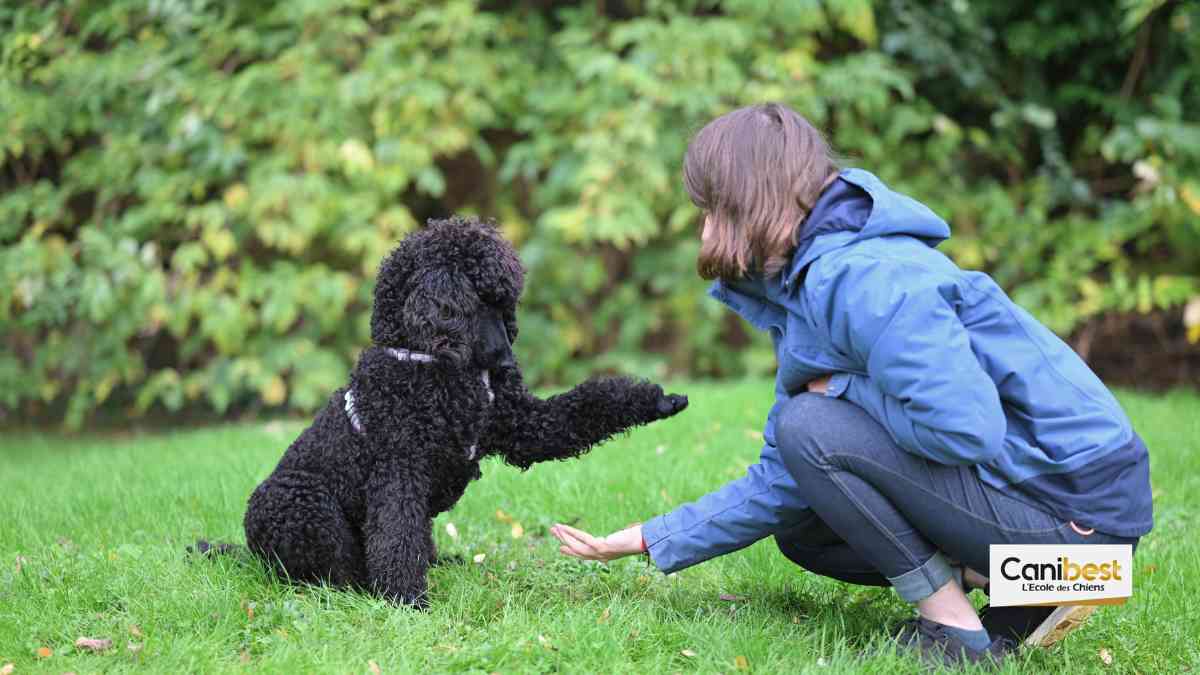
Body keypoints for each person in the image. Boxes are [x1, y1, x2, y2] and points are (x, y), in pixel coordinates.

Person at [549, 102, 1152, 666]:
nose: (704, 230)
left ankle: (957, 630)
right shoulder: (812, 281)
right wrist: (649, 539)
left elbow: (965, 429)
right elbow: (788, 476)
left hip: (1082, 527)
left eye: (709, 209)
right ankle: (1016, 591)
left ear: (746, 202)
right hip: (1057, 523)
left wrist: (840, 395)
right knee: (804, 530)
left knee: (809, 424)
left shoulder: (865, 277)